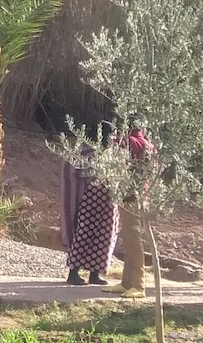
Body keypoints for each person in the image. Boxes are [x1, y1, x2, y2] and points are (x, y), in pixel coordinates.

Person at [62, 145, 119, 286]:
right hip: (91, 199)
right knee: (84, 234)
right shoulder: (86, 151)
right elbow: (76, 171)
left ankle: (95, 274)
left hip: (109, 201)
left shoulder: (113, 151)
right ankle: (73, 273)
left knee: (104, 236)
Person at [119, 118, 155, 298]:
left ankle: (139, 284)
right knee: (130, 238)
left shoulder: (128, 142)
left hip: (130, 196)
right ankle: (127, 282)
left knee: (132, 239)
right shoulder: (149, 144)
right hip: (141, 195)